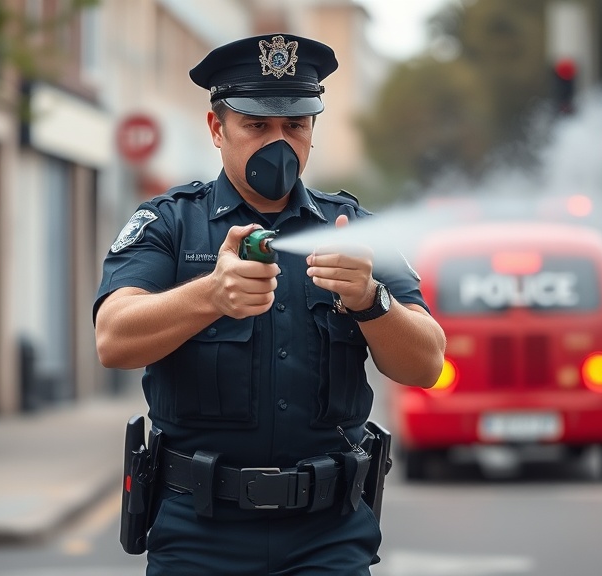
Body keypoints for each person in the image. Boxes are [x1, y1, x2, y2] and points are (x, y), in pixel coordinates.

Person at [93, 33, 446, 575]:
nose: (279, 144)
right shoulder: (169, 222)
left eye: (295, 126)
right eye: (257, 125)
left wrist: (370, 300)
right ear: (217, 128)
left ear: (312, 131)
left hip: (327, 536)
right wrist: (209, 295)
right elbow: (113, 338)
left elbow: (427, 363)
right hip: (198, 533)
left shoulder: (354, 232)